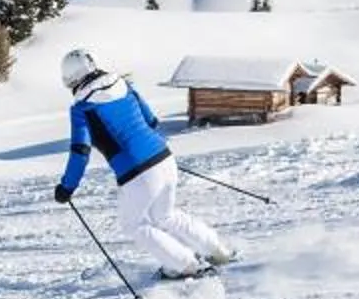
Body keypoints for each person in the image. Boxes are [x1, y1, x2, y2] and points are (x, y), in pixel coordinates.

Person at [53, 48, 235, 280]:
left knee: (135, 225)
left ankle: (184, 265)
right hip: (164, 157)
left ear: (72, 79)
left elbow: (80, 151)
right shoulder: (124, 86)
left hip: (137, 172)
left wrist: (67, 187)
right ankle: (218, 251)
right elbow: (151, 120)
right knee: (165, 215)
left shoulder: (82, 109)